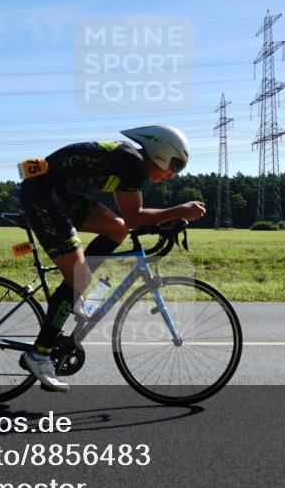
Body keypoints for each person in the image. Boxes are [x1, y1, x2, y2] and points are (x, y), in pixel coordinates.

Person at [17, 125, 206, 391]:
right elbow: (136, 218)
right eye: (175, 165)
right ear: (161, 153)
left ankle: (74, 291)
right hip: (43, 197)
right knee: (79, 276)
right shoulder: (133, 164)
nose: (173, 175)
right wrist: (180, 211)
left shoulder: (131, 162)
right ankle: (39, 355)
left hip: (56, 193)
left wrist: (168, 218)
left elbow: (128, 221)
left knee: (116, 228)